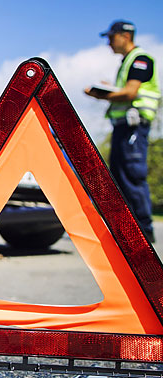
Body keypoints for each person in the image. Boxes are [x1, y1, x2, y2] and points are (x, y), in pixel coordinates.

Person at [85, 20, 161, 243]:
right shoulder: (127, 62)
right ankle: (128, 230)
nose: (109, 43)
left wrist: (103, 95)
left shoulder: (140, 59)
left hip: (134, 127)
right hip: (123, 128)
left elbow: (130, 93)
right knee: (120, 176)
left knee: (132, 175)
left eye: (111, 38)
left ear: (125, 36)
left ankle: (143, 231)